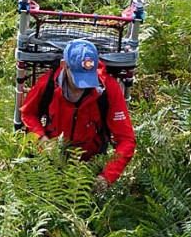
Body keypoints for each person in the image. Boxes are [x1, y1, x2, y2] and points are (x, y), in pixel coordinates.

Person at [19, 39, 135, 192]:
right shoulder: (47, 84)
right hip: (50, 164)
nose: (83, 86)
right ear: (64, 65)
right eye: (78, 78)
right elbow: (28, 114)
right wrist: (43, 140)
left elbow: (126, 140)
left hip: (90, 168)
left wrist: (106, 177)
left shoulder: (108, 89)